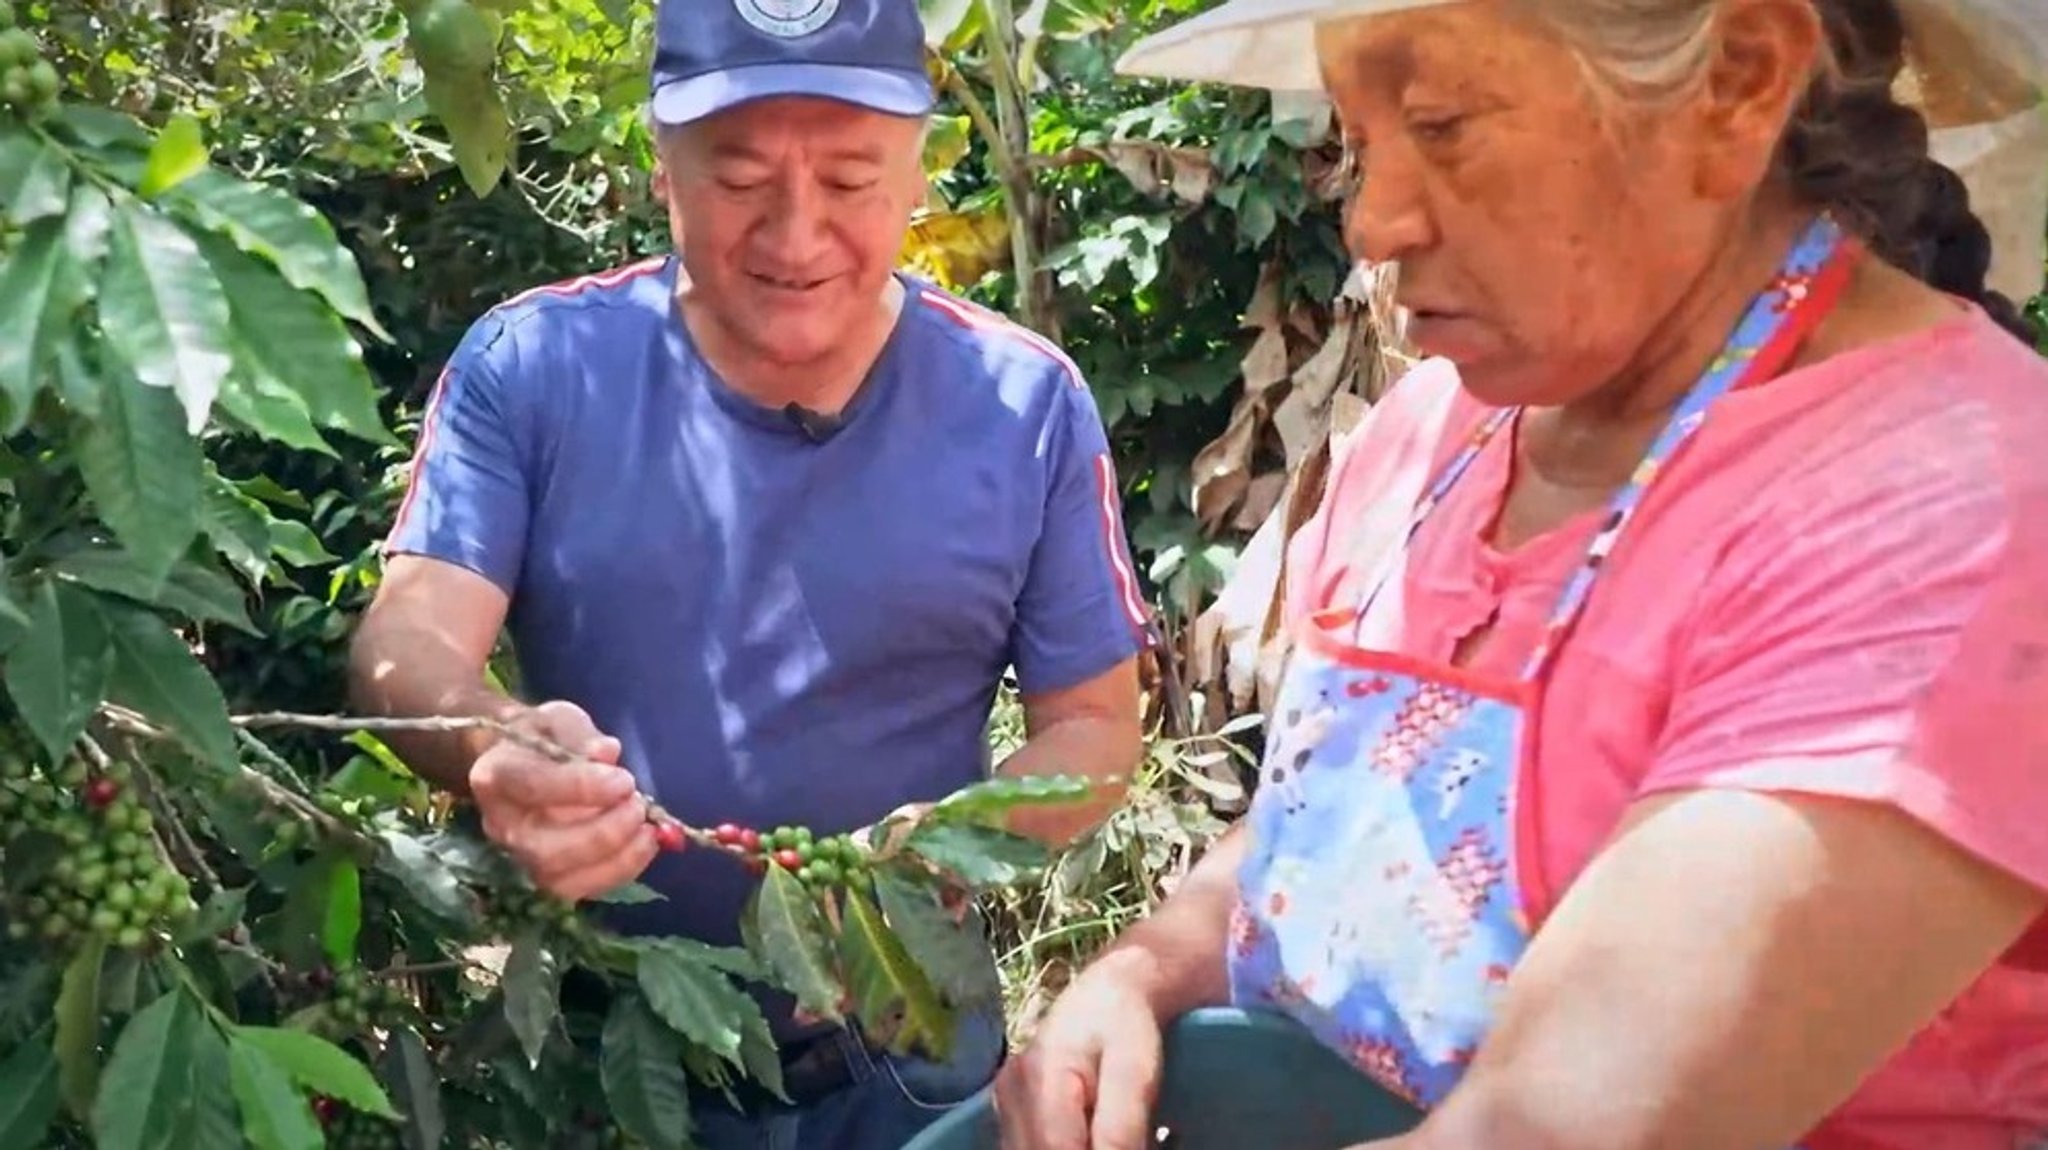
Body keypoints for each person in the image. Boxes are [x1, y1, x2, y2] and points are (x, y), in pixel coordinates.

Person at [994, 0, 2048, 1147]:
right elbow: (1342, 826)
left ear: (1737, 81)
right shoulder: (1429, 435)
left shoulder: (1950, 500)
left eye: (1442, 125)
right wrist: (1140, 973)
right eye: (1357, 144)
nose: (1373, 221)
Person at [346, 0, 1150, 1144]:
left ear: (916, 172)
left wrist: (951, 847)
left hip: (910, 1064)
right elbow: (402, 645)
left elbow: (1096, 730)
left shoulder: (1023, 402)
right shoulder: (534, 367)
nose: (795, 232)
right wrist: (493, 741)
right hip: (614, 1064)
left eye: (848, 179)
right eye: (738, 178)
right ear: (663, 168)